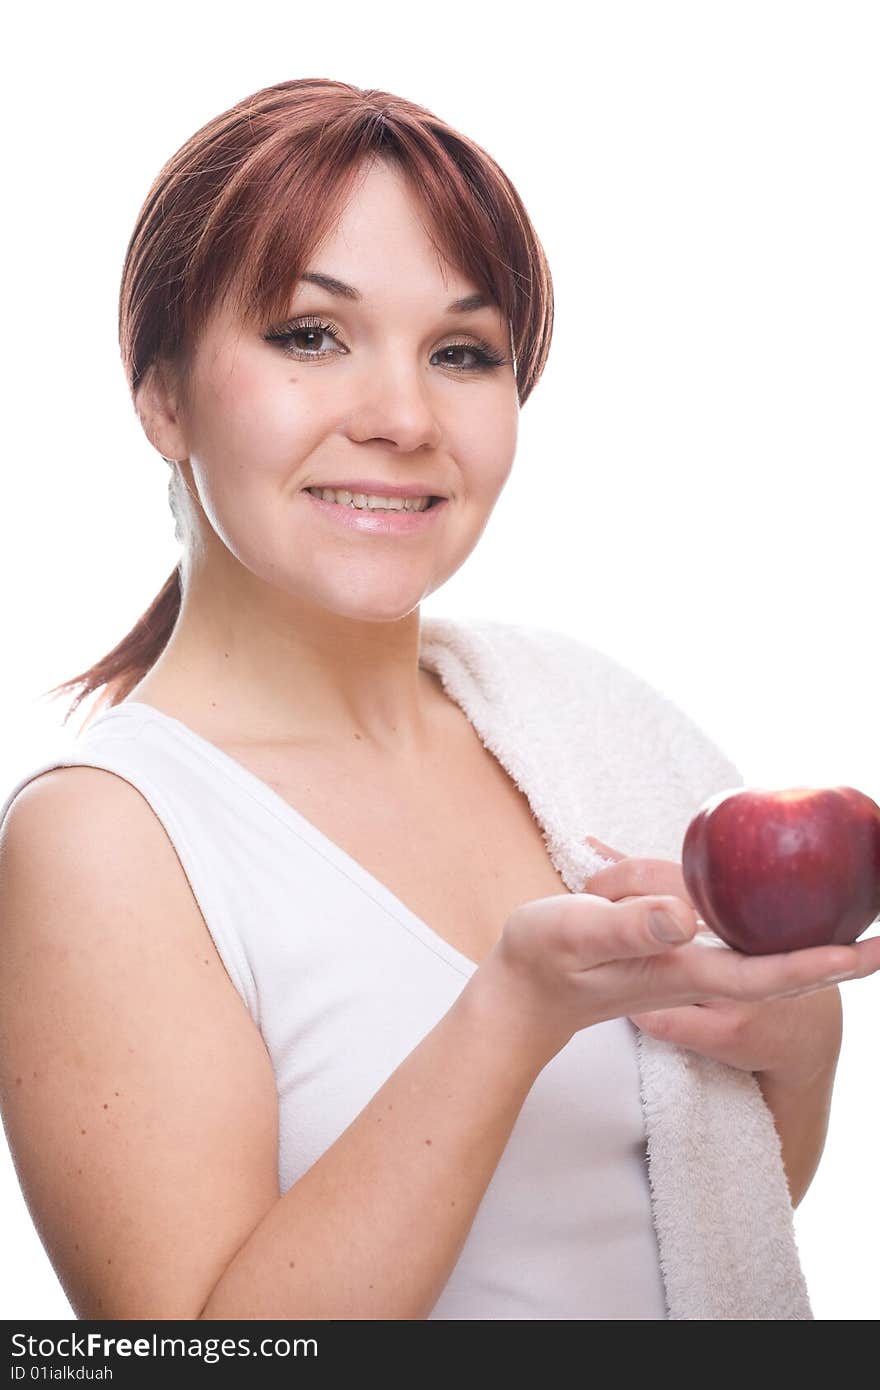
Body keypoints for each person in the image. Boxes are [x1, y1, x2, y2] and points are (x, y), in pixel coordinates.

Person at [0, 78, 872, 1323]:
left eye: (461, 353)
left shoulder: (588, 728)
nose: (404, 418)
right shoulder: (107, 839)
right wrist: (508, 1018)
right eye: (310, 334)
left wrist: (798, 1054)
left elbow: (695, 1226)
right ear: (162, 395)